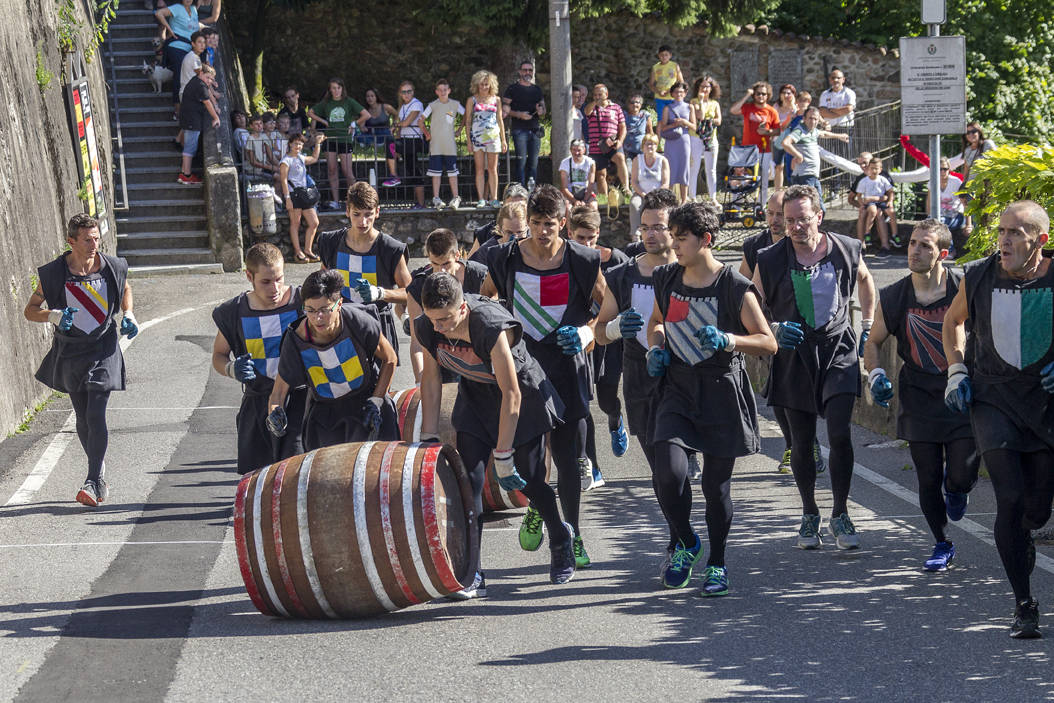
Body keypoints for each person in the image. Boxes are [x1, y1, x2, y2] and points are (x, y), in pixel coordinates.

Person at [644, 200, 777, 594]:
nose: (673, 246)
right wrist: (656, 347)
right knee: (668, 473)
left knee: (715, 488)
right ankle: (686, 540)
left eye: (681, 239)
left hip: (721, 390)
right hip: (677, 388)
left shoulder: (734, 286)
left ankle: (717, 562)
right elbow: (656, 323)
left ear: (706, 240)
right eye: (673, 237)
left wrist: (730, 339)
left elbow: (768, 342)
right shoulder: (667, 278)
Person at [941, 200, 1054, 639]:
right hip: (993, 399)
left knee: (1035, 509)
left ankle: (1024, 534)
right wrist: (956, 370)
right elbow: (953, 322)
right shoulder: (980, 275)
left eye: (1015, 233)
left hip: (1044, 405)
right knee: (1009, 499)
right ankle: (1024, 603)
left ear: (1040, 241)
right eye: (1001, 231)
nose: (1003, 240)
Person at [481, 184, 606, 571]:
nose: (541, 231)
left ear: (563, 223)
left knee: (569, 462)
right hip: (524, 374)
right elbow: (485, 301)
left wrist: (587, 332)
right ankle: (543, 507)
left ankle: (573, 533)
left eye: (550, 224)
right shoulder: (504, 257)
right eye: (535, 223)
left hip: (568, 370)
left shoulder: (584, 259)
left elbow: (607, 305)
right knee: (530, 465)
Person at [418, 272, 565, 590]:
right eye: (433, 320)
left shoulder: (487, 325)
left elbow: (512, 393)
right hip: (475, 399)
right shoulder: (426, 326)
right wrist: (428, 434)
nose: (439, 328)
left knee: (532, 481)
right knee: (468, 484)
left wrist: (503, 454)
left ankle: (560, 538)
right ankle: (472, 568)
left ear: (463, 309)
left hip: (521, 398)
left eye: (445, 319)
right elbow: (430, 379)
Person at [753, 185, 876, 550]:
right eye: (789, 220)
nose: (794, 226)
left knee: (839, 434)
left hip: (838, 349)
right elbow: (751, 302)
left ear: (818, 217)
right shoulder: (771, 258)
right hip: (793, 354)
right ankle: (809, 513)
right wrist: (771, 329)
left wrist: (867, 326)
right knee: (802, 442)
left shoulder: (844, 248)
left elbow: (867, 281)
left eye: (802, 219)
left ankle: (840, 513)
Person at [863, 220, 979, 571]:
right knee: (927, 476)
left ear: (942, 253)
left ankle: (958, 489)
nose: (915, 250)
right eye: (913, 243)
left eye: (925, 246)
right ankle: (942, 543)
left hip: (961, 392)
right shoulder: (895, 295)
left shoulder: (964, 288)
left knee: (961, 473)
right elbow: (873, 342)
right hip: (917, 394)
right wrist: (877, 374)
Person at [596, 188, 685, 567]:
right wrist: (616, 327)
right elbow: (599, 331)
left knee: (676, 466)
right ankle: (678, 539)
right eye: (645, 227)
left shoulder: (689, 271)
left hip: (685, 376)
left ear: (675, 229)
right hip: (640, 378)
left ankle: (688, 540)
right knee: (661, 470)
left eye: (659, 227)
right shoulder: (620, 276)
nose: (650, 235)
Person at [24, 214, 138, 507]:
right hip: (71, 349)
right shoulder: (53, 274)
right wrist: (52, 315)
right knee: (82, 416)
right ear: (71, 241)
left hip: (104, 347)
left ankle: (91, 480)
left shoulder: (112, 266)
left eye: (97, 238)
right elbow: (30, 310)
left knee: (96, 411)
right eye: (87, 240)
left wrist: (128, 314)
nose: (94, 245)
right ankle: (98, 472)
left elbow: (125, 287)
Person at [737, 188, 826, 476]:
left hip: (804, 326)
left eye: (780, 214)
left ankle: (807, 441)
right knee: (779, 389)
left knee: (803, 388)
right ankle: (793, 445)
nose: (775, 220)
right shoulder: (755, 247)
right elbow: (743, 287)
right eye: (771, 213)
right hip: (770, 328)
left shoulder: (806, 241)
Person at [268, 269, 399, 450]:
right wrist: (275, 412)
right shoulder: (296, 339)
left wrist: (377, 400)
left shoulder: (358, 322)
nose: (317, 317)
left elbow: (390, 358)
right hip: (325, 414)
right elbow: (279, 391)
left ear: (339, 304)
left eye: (324, 309)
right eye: (310, 310)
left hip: (365, 404)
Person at [211, 243, 306, 475]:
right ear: (249, 276)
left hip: (301, 400)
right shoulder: (234, 311)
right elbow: (218, 356)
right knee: (256, 480)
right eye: (266, 282)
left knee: (296, 474)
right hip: (257, 403)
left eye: (279, 279)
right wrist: (232, 369)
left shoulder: (303, 302)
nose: (275, 288)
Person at [568, 206, 630, 490]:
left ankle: (616, 420)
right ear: (569, 234)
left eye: (592, 238)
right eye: (581, 238)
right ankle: (592, 469)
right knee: (583, 403)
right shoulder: (564, 258)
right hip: (578, 341)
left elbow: (624, 301)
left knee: (606, 400)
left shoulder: (614, 259)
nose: (588, 245)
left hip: (608, 339)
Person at [315, 182, 412, 358]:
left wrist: (380, 293)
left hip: (377, 327)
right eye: (357, 214)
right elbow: (323, 282)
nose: (363, 221)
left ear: (377, 212)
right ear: (347, 211)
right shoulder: (330, 242)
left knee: (380, 383)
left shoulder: (390, 248)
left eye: (368, 214)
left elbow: (411, 292)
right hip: (341, 326)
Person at [405, 227, 489, 380]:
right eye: (435, 264)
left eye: (446, 263)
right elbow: (417, 344)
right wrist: (420, 380)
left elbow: (494, 327)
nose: (441, 270)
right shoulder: (418, 288)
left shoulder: (481, 277)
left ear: (457, 255)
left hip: (480, 362)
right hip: (442, 363)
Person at [307, 78, 369, 211]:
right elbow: (310, 112)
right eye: (333, 88)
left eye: (338, 88)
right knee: (332, 170)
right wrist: (324, 121)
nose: (336, 91)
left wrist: (354, 124)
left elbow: (366, 114)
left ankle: (354, 201)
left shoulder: (349, 101)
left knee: (348, 171)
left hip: (345, 139)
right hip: (330, 139)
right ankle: (336, 201)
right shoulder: (326, 103)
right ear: (330, 89)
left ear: (342, 88)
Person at [781, 105, 850, 208]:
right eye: (810, 118)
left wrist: (840, 136)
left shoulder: (812, 131)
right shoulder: (800, 131)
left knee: (819, 208)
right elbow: (785, 143)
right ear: (804, 118)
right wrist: (798, 155)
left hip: (812, 175)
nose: (813, 121)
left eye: (815, 119)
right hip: (804, 176)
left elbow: (823, 134)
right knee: (811, 207)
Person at [730, 81, 780, 207]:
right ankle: (737, 204)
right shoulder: (748, 107)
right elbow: (733, 110)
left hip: (764, 150)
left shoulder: (771, 111)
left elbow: (778, 130)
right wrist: (747, 95)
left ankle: (761, 205)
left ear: (768, 95)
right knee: (741, 176)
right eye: (758, 93)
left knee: (763, 179)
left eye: (763, 94)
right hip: (747, 149)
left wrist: (767, 131)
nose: (761, 96)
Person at [279, 132, 325, 262]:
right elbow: (283, 180)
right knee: (295, 223)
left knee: (314, 222)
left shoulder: (300, 157)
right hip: (293, 194)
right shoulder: (285, 161)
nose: (297, 146)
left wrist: (317, 144)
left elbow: (314, 158)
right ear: (290, 144)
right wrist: (287, 198)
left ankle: (308, 250)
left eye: (300, 144)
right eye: (295, 144)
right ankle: (298, 252)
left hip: (304, 194)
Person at [465, 71, 507, 209]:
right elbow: (468, 121)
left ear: (491, 85)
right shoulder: (472, 100)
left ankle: (494, 198)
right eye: (481, 84)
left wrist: (503, 140)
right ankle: (481, 198)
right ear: (477, 85)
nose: (484, 87)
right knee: (479, 169)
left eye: (486, 85)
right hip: (477, 138)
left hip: (493, 137)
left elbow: (500, 120)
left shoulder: (497, 100)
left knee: (492, 169)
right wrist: (469, 141)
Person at [422, 79, 465, 210]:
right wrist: (427, 133)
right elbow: (421, 120)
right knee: (436, 173)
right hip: (435, 145)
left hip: (450, 145)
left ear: (449, 91)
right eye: (440, 90)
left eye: (445, 90)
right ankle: (436, 198)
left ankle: (456, 197)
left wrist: (459, 130)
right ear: (436, 92)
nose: (442, 92)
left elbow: (467, 115)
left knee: (453, 172)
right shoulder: (432, 105)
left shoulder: (455, 104)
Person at [384, 81, 428, 208]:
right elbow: (399, 129)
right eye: (404, 92)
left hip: (414, 140)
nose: (407, 94)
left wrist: (395, 125)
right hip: (405, 140)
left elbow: (406, 123)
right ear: (400, 94)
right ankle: (420, 203)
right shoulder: (402, 107)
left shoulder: (417, 104)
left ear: (413, 92)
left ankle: (394, 176)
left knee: (389, 142)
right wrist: (395, 148)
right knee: (412, 170)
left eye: (409, 91)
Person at [503, 59, 546, 188]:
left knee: (534, 163)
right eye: (525, 70)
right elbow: (504, 110)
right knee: (521, 162)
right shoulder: (512, 88)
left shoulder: (537, 89)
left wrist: (540, 110)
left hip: (535, 130)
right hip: (519, 130)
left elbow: (544, 110)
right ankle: (520, 191)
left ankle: (532, 192)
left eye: (530, 70)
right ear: (519, 72)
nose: (528, 72)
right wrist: (519, 115)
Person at [584, 84, 630, 202]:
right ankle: (604, 197)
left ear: (606, 94)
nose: (597, 96)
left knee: (620, 158)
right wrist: (595, 102)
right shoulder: (592, 107)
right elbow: (587, 112)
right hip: (596, 146)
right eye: (595, 94)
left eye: (600, 94)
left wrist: (620, 140)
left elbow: (623, 127)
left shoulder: (616, 108)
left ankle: (626, 188)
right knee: (600, 174)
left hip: (613, 144)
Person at [177, 63, 219, 185]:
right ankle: (187, 175)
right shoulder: (200, 85)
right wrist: (216, 117)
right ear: (201, 73)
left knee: (189, 147)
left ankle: (184, 172)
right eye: (208, 77)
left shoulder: (196, 81)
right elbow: (207, 102)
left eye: (211, 79)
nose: (209, 81)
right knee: (190, 148)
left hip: (188, 118)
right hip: (192, 120)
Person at [468, 184, 529, 263]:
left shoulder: (535, 232)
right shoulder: (486, 233)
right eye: (510, 206)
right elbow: (471, 266)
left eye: (521, 207)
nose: (515, 210)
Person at [925, 156, 971, 255]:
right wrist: (929, 216)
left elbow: (966, 204)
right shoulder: (932, 182)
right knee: (929, 224)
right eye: (939, 169)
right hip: (939, 215)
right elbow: (929, 202)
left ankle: (950, 250)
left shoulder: (956, 182)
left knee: (940, 223)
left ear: (949, 169)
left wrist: (969, 225)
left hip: (956, 215)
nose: (942, 172)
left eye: (945, 169)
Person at [658, 81, 695, 204]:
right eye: (676, 92)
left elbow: (694, 127)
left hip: (684, 140)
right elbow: (662, 128)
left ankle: (684, 199)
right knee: (670, 167)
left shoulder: (690, 107)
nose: (679, 94)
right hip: (671, 141)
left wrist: (684, 122)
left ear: (685, 93)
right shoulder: (667, 108)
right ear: (672, 94)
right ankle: (670, 199)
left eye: (681, 91)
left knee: (684, 168)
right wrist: (675, 124)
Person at [688, 76, 722, 200]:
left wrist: (711, 121)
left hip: (711, 138)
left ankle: (713, 197)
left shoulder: (715, 103)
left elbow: (719, 120)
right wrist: (701, 101)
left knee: (711, 169)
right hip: (696, 137)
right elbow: (700, 116)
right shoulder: (693, 101)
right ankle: (692, 196)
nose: (705, 89)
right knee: (694, 167)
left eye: (707, 86)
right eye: (702, 86)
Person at [629, 134, 670, 236]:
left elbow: (666, 183)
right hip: (641, 193)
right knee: (634, 204)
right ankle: (636, 234)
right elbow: (634, 182)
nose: (650, 146)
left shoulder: (663, 160)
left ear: (657, 146)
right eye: (648, 144)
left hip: (658, 195)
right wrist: (644, 195)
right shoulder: (637, 160)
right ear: (643, 146)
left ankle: (661, 233)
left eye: (653, 144)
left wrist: (654, 195)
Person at [854, 156, 896, 255]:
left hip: (880, 204)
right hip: (868, 205)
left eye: (865, 163)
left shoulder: (883, 176)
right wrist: (861, 205)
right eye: (860, 164)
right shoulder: (862, 179)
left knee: (880, 214)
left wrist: (885, 200)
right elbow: (854, 196)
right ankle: (861, 244)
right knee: (864, 213)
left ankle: (886, 245)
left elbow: (889, 194)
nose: (863, 166)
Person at [770, 84, 797, 191]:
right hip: (778, 140)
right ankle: (778, 191)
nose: (786, 95)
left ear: (793, 95)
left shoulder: (796, 107)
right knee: (779, 166)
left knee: (792, 165)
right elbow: (774, 124)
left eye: (788, 93)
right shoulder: (776, 107)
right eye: (783, 93)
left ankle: (793, 189)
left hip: (792, 140)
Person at [648, 45, 684, 124]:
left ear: (670, 55)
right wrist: (658, 91)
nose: (664, 57)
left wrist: (670, 91)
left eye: (666, 55)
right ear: (658, 55)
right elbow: (651, 84)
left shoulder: (674, 66)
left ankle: (674, 136)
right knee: (661, 119)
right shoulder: (655, 67)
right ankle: (660, 135)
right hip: (660, 98)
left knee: (674, 118)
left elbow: (681, 82)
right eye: (662, 55)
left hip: (673, 97)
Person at [559, 139, 597, 212]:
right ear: (570, 150)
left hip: (586, 192)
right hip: (570, 193)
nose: (576, 153)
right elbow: (564, 188)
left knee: (593, 206)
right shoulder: (565, 163)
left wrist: (585, 200)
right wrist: (574, 200)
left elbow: (591, 184)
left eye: (579, 150)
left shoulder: (591, 163)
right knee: (568, 208)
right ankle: (568, 223)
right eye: (574, 150)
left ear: (584, 150)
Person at [355, 87, 397, 151]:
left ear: (376, 97)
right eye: (367, 96)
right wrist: (362, 127)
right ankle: (369, 145)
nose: (370, 98)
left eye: (372, 96)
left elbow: (396, 114)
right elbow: (362, 126)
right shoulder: (365, 110)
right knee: (357, 134)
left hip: (385, 134)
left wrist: (393, 126)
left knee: (389, 137)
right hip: (371, 135)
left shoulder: (385, 107)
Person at [622, 93, 653, 166]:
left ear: (641, 104)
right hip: (627, 150)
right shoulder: (624, 115)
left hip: (642, 149)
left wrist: (651, 145)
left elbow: (650, 131)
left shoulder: (645, 115)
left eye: (637, 102)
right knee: (629, 171)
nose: (634, 104)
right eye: (632, 102)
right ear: (628, 104)